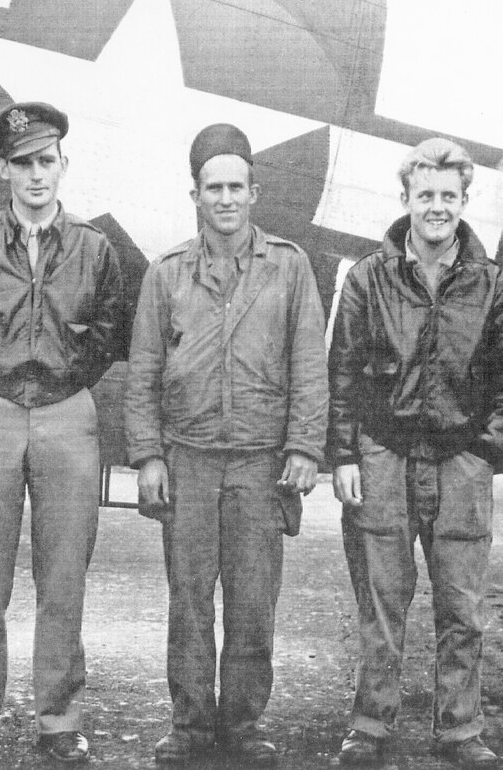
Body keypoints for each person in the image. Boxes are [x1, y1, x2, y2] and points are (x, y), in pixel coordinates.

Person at [125, 123, 329, 766]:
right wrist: (148, 457)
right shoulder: (166, 274)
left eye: (237, 186)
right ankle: (189, 726)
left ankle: (242, 725)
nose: (226, 198)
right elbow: (144, 372)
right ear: (195, 194)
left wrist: (303, 446)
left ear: (255, 192)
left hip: (259, 462)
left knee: (251, 603)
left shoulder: (290, 267)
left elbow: (308, 365)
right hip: (188, 458)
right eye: (213, 187)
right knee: (188, 601)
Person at [327, 138, 503, 768]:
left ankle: (461, 730)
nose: (436, 208)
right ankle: (370, 724)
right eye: (425, 195)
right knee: (381, 602)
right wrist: (346, 456)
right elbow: (343, 373)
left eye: (448, 196)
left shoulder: (492, 286)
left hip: (459, 462)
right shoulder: (367, 279)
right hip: (384, 454)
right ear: (406, 198)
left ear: (464, 202)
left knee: (461, 607)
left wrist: (482, 454)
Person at [0, 102, 122, 762]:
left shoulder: (95, 249)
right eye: (23, 164)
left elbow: (108, 331)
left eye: (47, 161)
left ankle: (60, 718)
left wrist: (65, 374)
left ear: (63, 165)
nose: (37, 174)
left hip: (66, 411)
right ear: (3, 171)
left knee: (64, 572)